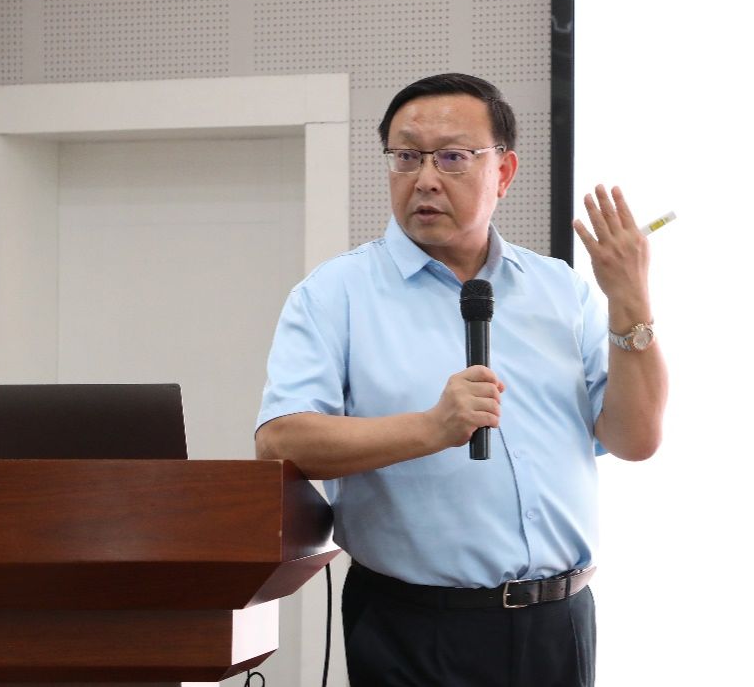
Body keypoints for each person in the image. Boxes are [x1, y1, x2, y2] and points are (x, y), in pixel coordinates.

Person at [254, 73, 668, 686]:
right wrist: (431, 428)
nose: (425, 178)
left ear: (504, 171)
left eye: (451, 157)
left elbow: (635, 438)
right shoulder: (335, 294)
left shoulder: (561, 290)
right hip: (414, 628)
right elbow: (281, 442)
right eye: (406, 156)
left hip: (559, 622)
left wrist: (630, 300)